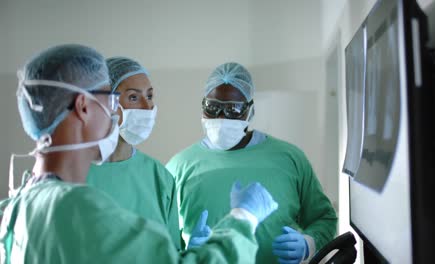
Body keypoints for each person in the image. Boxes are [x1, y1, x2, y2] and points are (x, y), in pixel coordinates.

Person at [0, 45, 278, 264]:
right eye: (111, 99)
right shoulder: (76, 208)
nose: (114, 112)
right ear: (84, 107)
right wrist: (243, 217)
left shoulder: (16, 206)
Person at [167, 62, 338, 264]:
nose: (221, 117)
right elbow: (158, 244)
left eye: (234, 109)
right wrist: (182, 254)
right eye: (212, 108)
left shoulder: (289, 158)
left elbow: (324, 218)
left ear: (250, 111)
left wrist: (308, 244)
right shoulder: (178, 167)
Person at [86, 57, 184, 249]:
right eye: (133, 97)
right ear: (106, 103)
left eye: (149, 96)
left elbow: (171, 252)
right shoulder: (75, 173)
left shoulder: (159, 177)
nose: (148, 108)